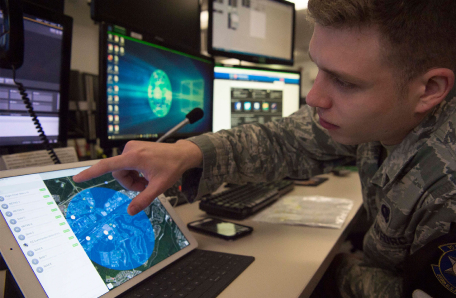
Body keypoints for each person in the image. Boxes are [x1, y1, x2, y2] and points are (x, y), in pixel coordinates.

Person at [74, 0, 456, 296]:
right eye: (320, 69)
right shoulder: (383, 116)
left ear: (430, 90)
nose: (314, 95)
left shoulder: (448, 190)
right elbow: (283, 140)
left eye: (345, 82)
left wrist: (338, 267)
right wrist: (189, 153)